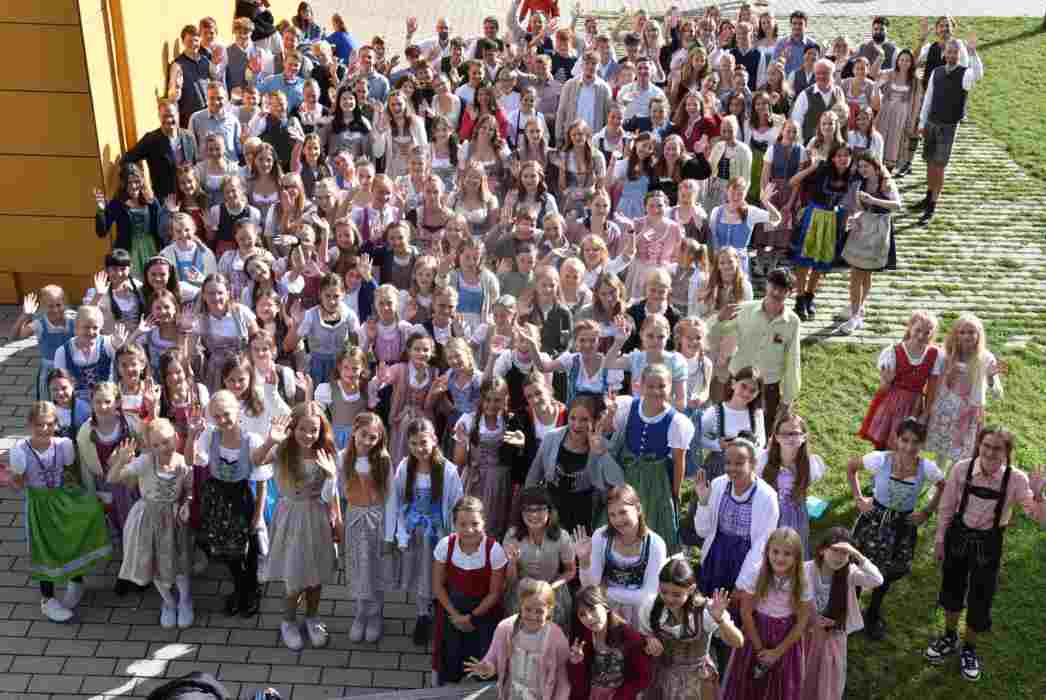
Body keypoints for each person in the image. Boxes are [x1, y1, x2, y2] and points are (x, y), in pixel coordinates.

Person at [925, 427, 1046, 681]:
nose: (990, 452)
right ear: (979, 445)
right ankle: (949, 636)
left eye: (997, 448)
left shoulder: (1016, 479)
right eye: (986, 446)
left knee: (981, 597)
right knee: (952, 589)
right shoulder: (961, 469)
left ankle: (969, 648)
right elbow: (946, 508)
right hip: (958, 536)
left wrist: (1039, 495)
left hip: (989, 543)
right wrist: (939, 540)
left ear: (1007, 453)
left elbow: (1037, 517)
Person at [7, 401, 111, 622]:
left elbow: (69, 470)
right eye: (39, 425)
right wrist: (16, 476)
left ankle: (76, 581)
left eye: (48, 424)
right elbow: (17, 485)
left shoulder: (63, 445)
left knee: (71, 538)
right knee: (44, 547)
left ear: (56, 424)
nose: (44, 429)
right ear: (30, 424)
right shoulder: (20, 452)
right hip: (39, 504)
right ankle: (47, 599)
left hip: (62, 499)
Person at [848, 418, 944, 641]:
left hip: (901, 526)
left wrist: (926, 512)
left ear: (922, 444)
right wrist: (858, 498)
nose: (909, 447)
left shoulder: (926, 468)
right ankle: (851, 611)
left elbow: (944, 486)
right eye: (905, 440)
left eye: (916, 442)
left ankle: (873, 612)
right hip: (873, 520)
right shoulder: (879, 460)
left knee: (887, 571)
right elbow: (852, 467)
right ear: (896, 439)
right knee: (860, 563)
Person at [189, 390, 283, 618]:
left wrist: (258, 515)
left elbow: (260, 477)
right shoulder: (210, 436)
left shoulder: (251, 440)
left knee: (248, 550)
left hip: (242, 497)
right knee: (226, 550)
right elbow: (189, 460)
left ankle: (251, 591)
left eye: (226, 414)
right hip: (217, 497)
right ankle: (239, 589)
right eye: (217, 416)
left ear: (238, 411)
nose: (222, 420)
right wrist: (192, 436)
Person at [263, 402, 341, 651]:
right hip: (290, 516)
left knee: (316, 575)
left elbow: (330, 496)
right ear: (292, 428)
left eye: (314, 430)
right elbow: (254, 462)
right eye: (303, 429)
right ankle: (288, 621)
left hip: (316, 516)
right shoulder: (282, 449)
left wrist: (331, 477)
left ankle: (312, 617)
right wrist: (270, 441)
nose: (309, 435)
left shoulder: (325, 453)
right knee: (294, 576)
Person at [385, 417, 465, 647]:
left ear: (434, 440)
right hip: (414, 533)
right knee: (420, 573)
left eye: (423, 442)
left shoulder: (447, 471)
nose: (419, 449)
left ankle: (438, 610)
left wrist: (454, 536)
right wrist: (395, 533)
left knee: (437, 573)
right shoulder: (404, 467)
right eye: (413, 444)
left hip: (437, 534)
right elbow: (396, 500)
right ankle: (423, 613)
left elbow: (455, 502)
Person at [107, 419, 195, 629]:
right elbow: (112, 478)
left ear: (176, 438)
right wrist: (120, 460)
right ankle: (168, 602)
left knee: (179, 563)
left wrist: (187, 503)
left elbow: (190, 488)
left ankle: (185, 600)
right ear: (149, 446)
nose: (161, 448)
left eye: (165, 442)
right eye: (155, 445)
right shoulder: (146, 461)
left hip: (174, 519)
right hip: (148, 518)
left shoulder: (183, 462)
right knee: (154, 563)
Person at [721, 527, 812, 700]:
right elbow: (746, 612)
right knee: (748, 683)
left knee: (780, 685)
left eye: (787, 554)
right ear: (767, 551)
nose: (780, 558)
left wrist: (777, 652)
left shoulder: (801, 581)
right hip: (756, 632)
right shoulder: (757, 573)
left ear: (797, 557)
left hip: (785, 639)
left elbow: (802, 621)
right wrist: (760, 649)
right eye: (775, 552)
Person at [637, 559, 743, 700]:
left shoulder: (706, 611)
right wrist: (649, 639)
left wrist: (720, 620)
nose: (668, 598)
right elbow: (643, 634)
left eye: (676, 594)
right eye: (664, 592)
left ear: (691, 589)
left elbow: (738, 642)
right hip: (661, 677)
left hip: (697, 682)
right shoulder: (651, 606)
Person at [432, 496, 507, 685]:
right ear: (454, 524)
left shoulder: (494, 550)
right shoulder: (445, 545)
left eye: (475, 523)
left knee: (482, 656)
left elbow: (495, 593)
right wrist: (456, 616)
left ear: (484, 522)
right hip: (452, 610)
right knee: (451, 654)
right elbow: (437, 586)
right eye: (462, 524)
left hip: (484, 612)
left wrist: (471, 618)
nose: (469, 530)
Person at [801, 527, 883, 700]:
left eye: (845, 553)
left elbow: (877, 580)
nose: (839, 557)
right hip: (806, 633)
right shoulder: (806, 570)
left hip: (834, 635)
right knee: (804, 674)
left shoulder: (849, 573)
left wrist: (857, 555)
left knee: (828, 678)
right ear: (822, 550)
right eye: (835, 551)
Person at [712, 268, 799, 424]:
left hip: (768, 388)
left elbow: (793, 360)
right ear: (767, 285)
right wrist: (719, 320)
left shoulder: (793, 322)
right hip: (737, 381)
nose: (777, 292)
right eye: (774, 286)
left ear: (790, 292)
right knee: (727, 429)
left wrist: (787, 400)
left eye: (783, 289)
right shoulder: (744, 309)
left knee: (761, 435)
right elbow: (712, 336)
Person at [463, 577, 573, 700]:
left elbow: (563, 681)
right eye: (528, 609)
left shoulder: (557, 637)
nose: (532, 616)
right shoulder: (505, 628)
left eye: (539, 611)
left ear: (549, 610)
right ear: (520, 604)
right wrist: (487, 668)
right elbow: (493, 656)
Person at [914, 34, 982, 225]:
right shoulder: (937, 72)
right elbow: (928, 99)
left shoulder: (965, 73)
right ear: (944, 53)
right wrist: (921, 123)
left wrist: (973, 52)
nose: (951, 54)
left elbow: (978, 74)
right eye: (949, 51)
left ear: (959, 54)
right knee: (929, 161)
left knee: (939, 165)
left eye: (955, 52)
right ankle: (927, 196)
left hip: (948, 126)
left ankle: (933, 204)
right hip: (931, 123)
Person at [925, 314, 1006, 472]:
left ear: (979, 334)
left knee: (961, 457)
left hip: (969, 415)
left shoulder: (986, 358)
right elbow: (934, 381)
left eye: (971, 332)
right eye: (962, 332)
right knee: (941, 455)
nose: (967, 336)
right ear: (955, 334)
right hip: (945, 412)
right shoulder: (945, 355)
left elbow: (997, 394)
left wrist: (990, 378)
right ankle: (936, 488)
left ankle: (953, 486)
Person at [342, 413, 395, 642]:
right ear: (354, 431)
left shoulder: (383, 461)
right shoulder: (343, 458)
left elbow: (391, 498)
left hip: (377, 520)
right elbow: (333, 491)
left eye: (372, 438)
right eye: (363, 435)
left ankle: (375, 614)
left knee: (375, 568)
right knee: (358, 567)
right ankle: (360, 613)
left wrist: (390, 534)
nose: (366, 441)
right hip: (354, 519)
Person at [452, 377, 526, 540]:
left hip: (501, 481)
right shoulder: (468, 420)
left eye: (497, 400)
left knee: (496, 523)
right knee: (473, 521)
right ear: (480, 399)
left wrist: (521, 446)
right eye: (487, 399)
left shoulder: (511, 421)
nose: (492, 404)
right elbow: (459, 460)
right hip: (475, 479)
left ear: (505, 399)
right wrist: (464, 442)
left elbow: (519, 460)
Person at [857, 310, 942, 450]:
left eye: (927, 333)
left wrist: (926, 413)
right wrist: (887, 382)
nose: (921, 336)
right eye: (918, 330)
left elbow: (932, 388)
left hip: (914, 405)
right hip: (892, 402)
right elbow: (883, 388)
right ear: (909, 327)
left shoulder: (935, 355)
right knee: (883, 444)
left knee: (907, 445)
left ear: (932, 333)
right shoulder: (893, 352)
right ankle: (881, 469)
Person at [501, 486, 577, 631]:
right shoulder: (512, 536)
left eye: (540, 509)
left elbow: (570, 571)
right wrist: (512, 563)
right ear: (520, 512)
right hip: (521, 592)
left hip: (553, 590)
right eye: (528, 509)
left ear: (549, 511)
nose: (534, 515)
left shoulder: (562, 536)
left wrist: (550, 587)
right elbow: (510, 581)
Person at [567, 584, 654, 700]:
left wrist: (619, 696)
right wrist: (576, 663)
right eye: (582, 614)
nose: (589, 618)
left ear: (606, 607)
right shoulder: (582, 638)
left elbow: (643, 676)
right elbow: (577, 683)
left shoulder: (628, 636)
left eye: (592, 609)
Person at [758, 411, 825, 557]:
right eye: (784, 433)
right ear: (776, 437)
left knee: (792, 550)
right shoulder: (763, 460)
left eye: (795, 433)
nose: (789, 437)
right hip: (768, 512)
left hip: (796, 514)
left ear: (804, 437)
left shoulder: (811, 464)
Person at [121, 100, 198, 202]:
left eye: (171, 115)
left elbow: (195, 165)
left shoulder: (189, 137)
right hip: (164, 199)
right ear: (159, 117)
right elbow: (126, 160)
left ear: (178, 115)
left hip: (187, 197)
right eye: (164, 116)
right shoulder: (151, 140)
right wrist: (141, 182)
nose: (168, 119)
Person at [555, 51, 613, 146]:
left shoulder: (604, 88)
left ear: (598, 66)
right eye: (587, 63)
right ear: (582, 65)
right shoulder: (570, 85)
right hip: (571, 139)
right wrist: (558, 137)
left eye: (594, 63)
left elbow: (607, 117)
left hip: (594, 140)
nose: (590, 67)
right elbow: (561, 112)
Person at [790, 59, 847, 146]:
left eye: (825, 73)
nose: (821, 76)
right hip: (811, 145)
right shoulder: (804, 95)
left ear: (832, 74)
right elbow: (796, 122)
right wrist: (800, 145)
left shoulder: (839, 92)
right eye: (818, 73)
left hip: (834, 146)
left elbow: (843, 118)